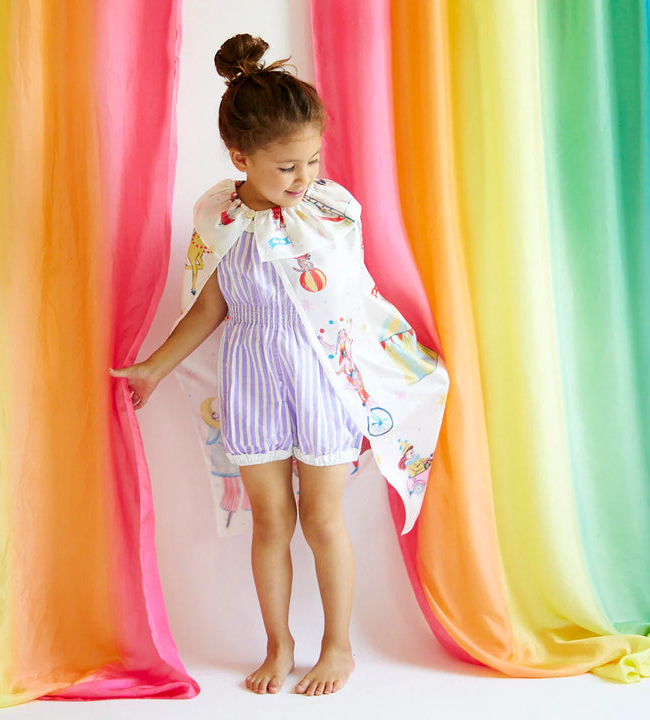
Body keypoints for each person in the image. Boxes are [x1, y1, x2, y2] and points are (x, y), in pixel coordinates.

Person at [111, 33, 449, 697]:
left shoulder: (330, 212)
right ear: (241, 157)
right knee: (270, 522)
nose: (304, 179)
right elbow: (210, 307)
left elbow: (355, 301)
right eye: (287, 167)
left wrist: (392, 365)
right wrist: (153, 366)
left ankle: (338, 647)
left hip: (322, 376)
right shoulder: (219, 217)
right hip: (252, 380)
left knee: (323, 519)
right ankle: (278, 644)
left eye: (312, 161)